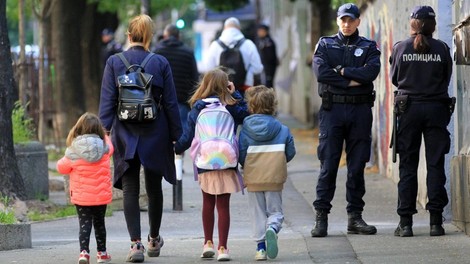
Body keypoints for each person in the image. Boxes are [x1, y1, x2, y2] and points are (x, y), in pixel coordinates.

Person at [98, 14, 182, 263]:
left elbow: (108, 100)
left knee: (130, 189)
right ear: (148, 36)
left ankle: (135, 245)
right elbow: (170, 102)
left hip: (125, 132)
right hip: (156, 131)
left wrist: (105, 131)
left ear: (129, 35)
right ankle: (154, 238)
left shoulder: (115, 61)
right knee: (154, 188)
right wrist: (178, 136)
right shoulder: (160, 62)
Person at [310, 3, 381, 237]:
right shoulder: (326, 44)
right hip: (333, 111)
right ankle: (321, 218)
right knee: (328, 165)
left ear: (358, 21)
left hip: (360, 110)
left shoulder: (369, 46)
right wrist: (351, 80)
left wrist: (340, 72)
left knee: (357, 167)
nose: (347, 24)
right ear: (338, 21)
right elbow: (322, 73)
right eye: (343, 20)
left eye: (351, 20)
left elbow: (370, 73)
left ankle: (355, 218)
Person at [389, 5, 453, 237]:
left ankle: (405, 223)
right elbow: (447, 77)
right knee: (435, 165)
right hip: (437, 108)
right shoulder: (443, 48)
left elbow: (395, 78)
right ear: (434, 25)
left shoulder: (400, 48)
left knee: (408, 166)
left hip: (409, 110)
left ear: (413, 24)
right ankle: (436, 222)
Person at [174, 68, 249, 261]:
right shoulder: (231, 106)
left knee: (208, 202)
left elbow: (188, 135)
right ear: (225, 85)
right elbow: (245, 114)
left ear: (205, 84)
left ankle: (208, 242)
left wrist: (176, 148)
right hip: (226, 159)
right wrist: (235, 93)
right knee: (223, 205)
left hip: (205, 160)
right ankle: (223, 248)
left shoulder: (198, 107)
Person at [238, 85, 296, 261]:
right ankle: (272, 228)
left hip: (253, 177)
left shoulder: (246, 130)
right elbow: (291, 152)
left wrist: (245, 166)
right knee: (275, 211)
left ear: (251, 107)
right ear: (273, 106)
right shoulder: (282, 129)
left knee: (257, 213)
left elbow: (241, 153)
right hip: (274, 176)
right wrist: (278, 161)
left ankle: (260, 248)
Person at [56, 112, 114, 264]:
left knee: (84, 224)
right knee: (100, 223)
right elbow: (112, 148)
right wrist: (106, 136)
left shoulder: (73, 150)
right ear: (99, 130)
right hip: (101, 196)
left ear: (78, 129)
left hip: (82, 197)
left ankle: (84, 253)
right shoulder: (104, 148)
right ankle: (102, 253)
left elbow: (61, 168)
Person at [153, 24, 199, 138]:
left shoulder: (157, 52)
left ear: (165, 36)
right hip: (182, 98)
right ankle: (179, 155)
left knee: (163, 131)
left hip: (161, 100)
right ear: (179, 36)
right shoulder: (188, 52)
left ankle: (167, 154)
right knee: (181, 131)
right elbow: (195, 77)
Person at [203, 17, 263, 95]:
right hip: (245, 89)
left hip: (222, 90)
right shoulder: (248, 44)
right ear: (238, 28)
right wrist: (248, 74)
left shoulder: (215, 45)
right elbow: (258, 68)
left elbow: (208, 68)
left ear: (224, 28)